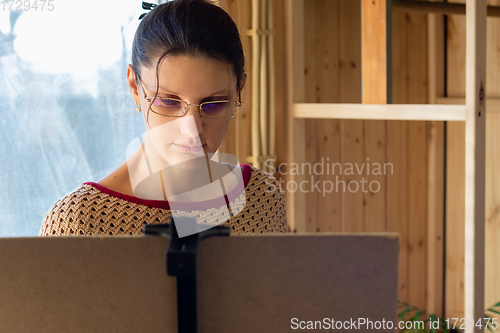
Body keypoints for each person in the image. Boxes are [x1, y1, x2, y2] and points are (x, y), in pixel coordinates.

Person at [39, 0, 289, 236]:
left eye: (213, 104)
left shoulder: (262, 200)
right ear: (134, 88)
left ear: (239, 90)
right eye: (168, 101)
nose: (192, 129)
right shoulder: (78, 222)